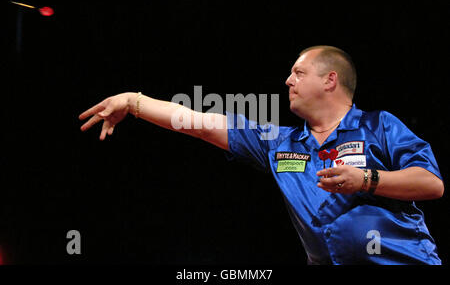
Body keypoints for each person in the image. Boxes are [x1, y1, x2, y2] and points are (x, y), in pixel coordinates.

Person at [79, 45, 444, 265]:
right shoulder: (279, 142)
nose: (288, 81)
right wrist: (134, 102)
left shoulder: (378, 125)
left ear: (329, 80)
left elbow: (432, 184)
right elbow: (202, 123)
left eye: (298, 73)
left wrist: (367, 180)